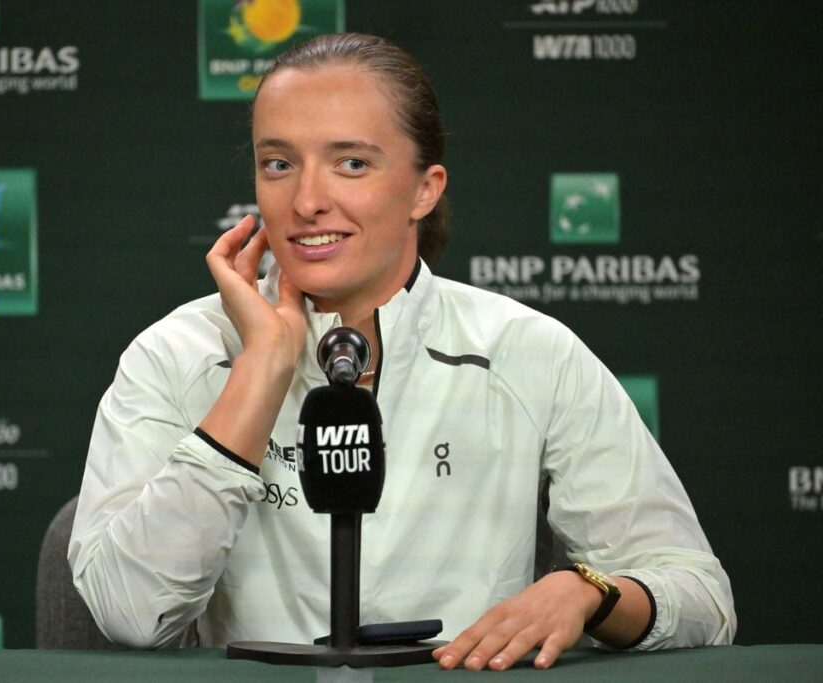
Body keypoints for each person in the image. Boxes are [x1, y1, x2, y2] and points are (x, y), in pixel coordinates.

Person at [68, 32, 736, 671]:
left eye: (351, 163)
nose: (306, 200)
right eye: (279, 163)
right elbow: (131, 611)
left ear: (426, 188)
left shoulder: (528, 351)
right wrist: (262, 367)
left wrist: (592, 592)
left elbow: (702, 597)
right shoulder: (174, 354)